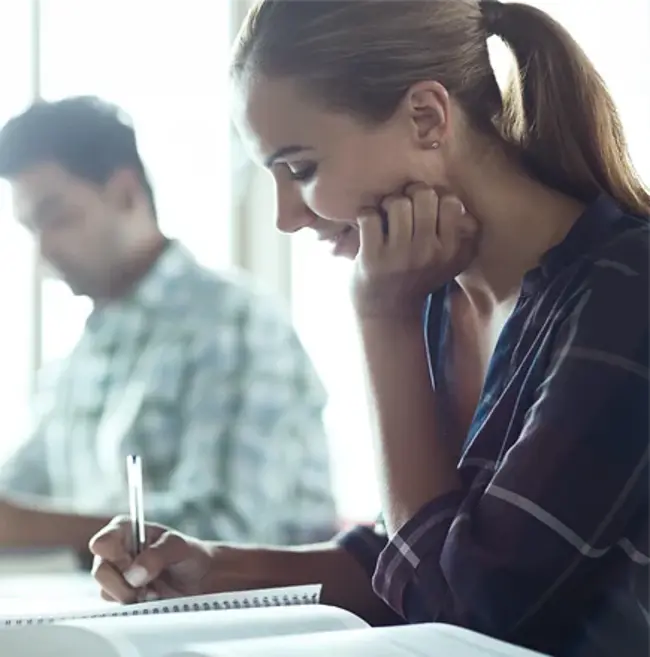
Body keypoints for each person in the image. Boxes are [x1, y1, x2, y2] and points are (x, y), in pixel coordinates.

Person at [90, 0, 650, 654]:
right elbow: (415, 554)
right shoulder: (443, 294)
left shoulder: (626, 291)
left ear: (427, 117)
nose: (287, 216)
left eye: (301, 168)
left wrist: (382, 321)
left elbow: (469, 611)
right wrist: (217, 569)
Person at [0, 95, 337, 557]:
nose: (45, 254)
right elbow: (18, 500)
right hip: (123, 619)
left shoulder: (232, 322)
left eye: (56, 218)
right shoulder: (81, 359)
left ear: (125, 194)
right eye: (30, 230)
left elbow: (229, 530)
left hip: (246, 626)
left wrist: (32, 528)